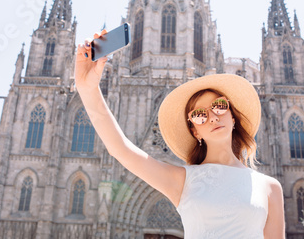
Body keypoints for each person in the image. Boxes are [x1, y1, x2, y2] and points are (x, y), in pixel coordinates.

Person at [75, 30, 285, 239]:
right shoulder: (184, 181)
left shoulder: (269, 188)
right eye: (200, 115)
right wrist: (88, 88)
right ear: (194, 131)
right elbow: (119, 149)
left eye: (220, 106)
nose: (212, 116)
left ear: (233, 117)